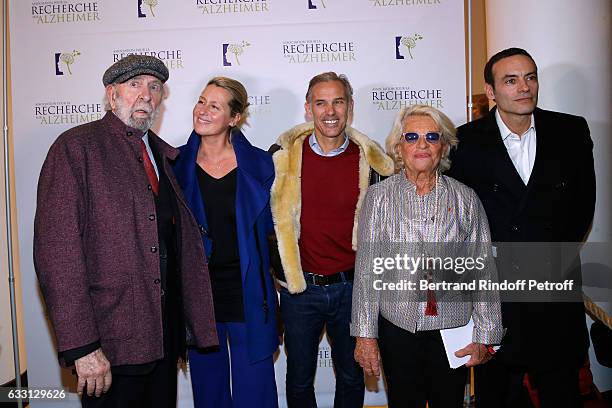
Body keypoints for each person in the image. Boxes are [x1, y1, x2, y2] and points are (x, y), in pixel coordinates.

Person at [33, 55, 217, 407]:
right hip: (109, 345)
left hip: (161, 340)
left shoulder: (162, 155)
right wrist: (83, 347)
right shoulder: (76, 148)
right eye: (134, 85)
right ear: (112, 94)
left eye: (154, 87)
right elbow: (57, 255)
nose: (145, 95)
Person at [447, 47, 596, 408]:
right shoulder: (464, 142)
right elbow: (460, 222)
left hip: (553, 285)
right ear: (492, 92)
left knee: (561, 391)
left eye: (530, 77)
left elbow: (581, 209)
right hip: (496, 296)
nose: (524, 87)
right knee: (498, 395)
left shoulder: (570, 131)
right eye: (511, 80)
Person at [351, 104, 503, 408]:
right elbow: (367, 270)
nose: (422, 145)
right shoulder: (378, 198)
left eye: (432, 137)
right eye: (411, 137)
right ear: (398, 146)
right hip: (398, 327)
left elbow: (483, 269)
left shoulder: (466, 198)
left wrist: (488, 334)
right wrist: (365, 335)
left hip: (453, 328)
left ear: (444, 146)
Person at [269, 72, 395, 407]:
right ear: (308, 109)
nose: (330, 111)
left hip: (353, 290)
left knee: (352, 378)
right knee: (297, 381)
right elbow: (265, 221)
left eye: (338, 102)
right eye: (320, 102)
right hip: (300, 290)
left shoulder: (371, 160)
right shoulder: (281, 158)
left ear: (350, 107)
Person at [172, 77, 279, 408]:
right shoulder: (174, 166)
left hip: (249, 293)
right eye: (201, 101)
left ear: (234, 118)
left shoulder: (262, 164)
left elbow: (278, 233)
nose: (202, 111)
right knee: (209, 392)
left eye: (214, 106)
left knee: (256, 393)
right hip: (199, 295)